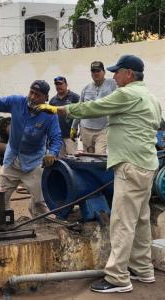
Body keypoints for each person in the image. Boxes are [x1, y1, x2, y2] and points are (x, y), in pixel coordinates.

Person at [34, 55, 162, 293]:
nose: (114, 76)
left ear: (129, 74)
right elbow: (158, 124)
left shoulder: (127, 94)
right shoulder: (151, 97)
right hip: (147, 165)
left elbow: (92, 108)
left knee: (122, 221)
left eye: (117, 72)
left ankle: (117, 278)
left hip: (130, 165)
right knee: (141, 219)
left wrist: (57, 109)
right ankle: (143, 269)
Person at [0, 80, 62, 217]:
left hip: (34, 163)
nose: (32, 97)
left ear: (46, 98)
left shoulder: (50, 115)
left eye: (37, 95)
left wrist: (52, 153)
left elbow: (56, 138)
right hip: (11, 160)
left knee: (40, 203)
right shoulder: (17, 102)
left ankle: (45, 227)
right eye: (31, 92)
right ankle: (3, 222)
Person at [71, 61, 117, 154]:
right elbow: (80, 108)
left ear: (104, 72)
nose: (95, 73)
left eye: (98, 71)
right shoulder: (86, 88)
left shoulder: (112, 84)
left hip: (103, 129)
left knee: (100, 155)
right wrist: (74, 127)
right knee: (88, 157)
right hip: (86, 128)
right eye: (93, 71)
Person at [49, 76, 80, 156]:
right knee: (59, 161)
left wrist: (81, 129)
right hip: (58, 137)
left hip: (71, 136)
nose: (58, 86)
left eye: (60, 84)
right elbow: (49, 119)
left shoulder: (75, 97)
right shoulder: (52, 101)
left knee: (72, 159)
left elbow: (81, 114)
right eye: (56, 84)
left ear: (66, 84)